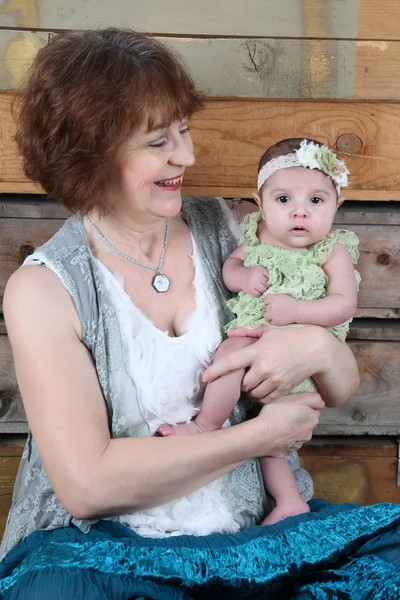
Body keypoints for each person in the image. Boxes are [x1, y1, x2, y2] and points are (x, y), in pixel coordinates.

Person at [1, 28, 396, 600]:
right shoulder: (43, 289)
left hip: (252, 538)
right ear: (92, 150)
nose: (186, 156)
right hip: (109, 550)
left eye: (183, 130)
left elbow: (338, 387)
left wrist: (320, 348)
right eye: (159, 141)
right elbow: (88, 486)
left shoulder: (233, 231)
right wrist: (257, 437)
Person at [157, 138, 360, 527]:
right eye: (284, 200)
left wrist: (297, 310)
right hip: (251, 334)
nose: (300, 212)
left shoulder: (332, 250)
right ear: (260, 203)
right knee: (228, 358)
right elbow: (231, 267)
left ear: (338, 205)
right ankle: (205, 425)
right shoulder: (256, 235)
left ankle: (288, 500)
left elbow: (343, 304)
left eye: (316, 201)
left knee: (275, 434)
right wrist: (243, 276)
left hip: (300, 359)